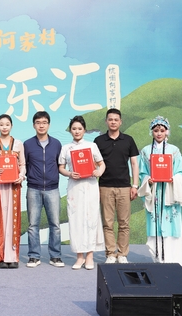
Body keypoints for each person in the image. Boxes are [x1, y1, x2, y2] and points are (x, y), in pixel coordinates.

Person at [138, 116, 182, 266]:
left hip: (170, 192)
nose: (159, 133)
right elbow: (142, 173)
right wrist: (147, 180)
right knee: (155, 223)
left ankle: (174, 259)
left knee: (172, 224)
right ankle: (158, 259)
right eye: (156, 130)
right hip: (155, 193)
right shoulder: (146, 151)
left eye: (162, 130)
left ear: (167, 131)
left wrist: (174, 178)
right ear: (152, 132)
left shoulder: (174, 150)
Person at [58, 115, 106, 270]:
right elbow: (61, 167)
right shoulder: (66, 148)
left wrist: (98, 172)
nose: (77, 131)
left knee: (91, 218)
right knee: (76, 220)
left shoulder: (92, 146)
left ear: (84, 130)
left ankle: (90, 255)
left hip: (90, 186)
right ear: (70, 131)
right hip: (75, 187)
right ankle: (79, 256)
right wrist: (69, 173)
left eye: (79, 128)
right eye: (74, 129)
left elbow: (101, 164)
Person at [94, 108, 140, 264]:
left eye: (116, 119)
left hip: (124, 187)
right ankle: (110, 253)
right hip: (105, 186)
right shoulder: (98, 141)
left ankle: (122, 254)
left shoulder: (128, 140)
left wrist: (135, 185)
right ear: (106, 121)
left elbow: (134, 164)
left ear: (120, 122)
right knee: (107, 223)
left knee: (124, 223)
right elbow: (93, 164)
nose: (113, 122)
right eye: (110, 119)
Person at [23, 111, 64, 268]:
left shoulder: (57, 144)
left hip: (52, 189)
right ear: (34, 125)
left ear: (49, 125)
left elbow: (60, 164)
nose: (41, 125)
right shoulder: (27, 144)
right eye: (38, 122)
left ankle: (55, 256)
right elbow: (24, 165)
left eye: (44, 122)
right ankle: (34, 256)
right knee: (33, 225)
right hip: (33, 188)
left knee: (55, 224)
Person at [0, 114, 26, 269]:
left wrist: (21, 176)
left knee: (13, 218)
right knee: (0, 218)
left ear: (11, 126)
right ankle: (1, 257)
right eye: (1, 124)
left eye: (7, 124)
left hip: (14, 186)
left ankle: (13, 256)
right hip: (0, 186)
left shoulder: (18, 144)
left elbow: (22, 164)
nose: (4, 127)